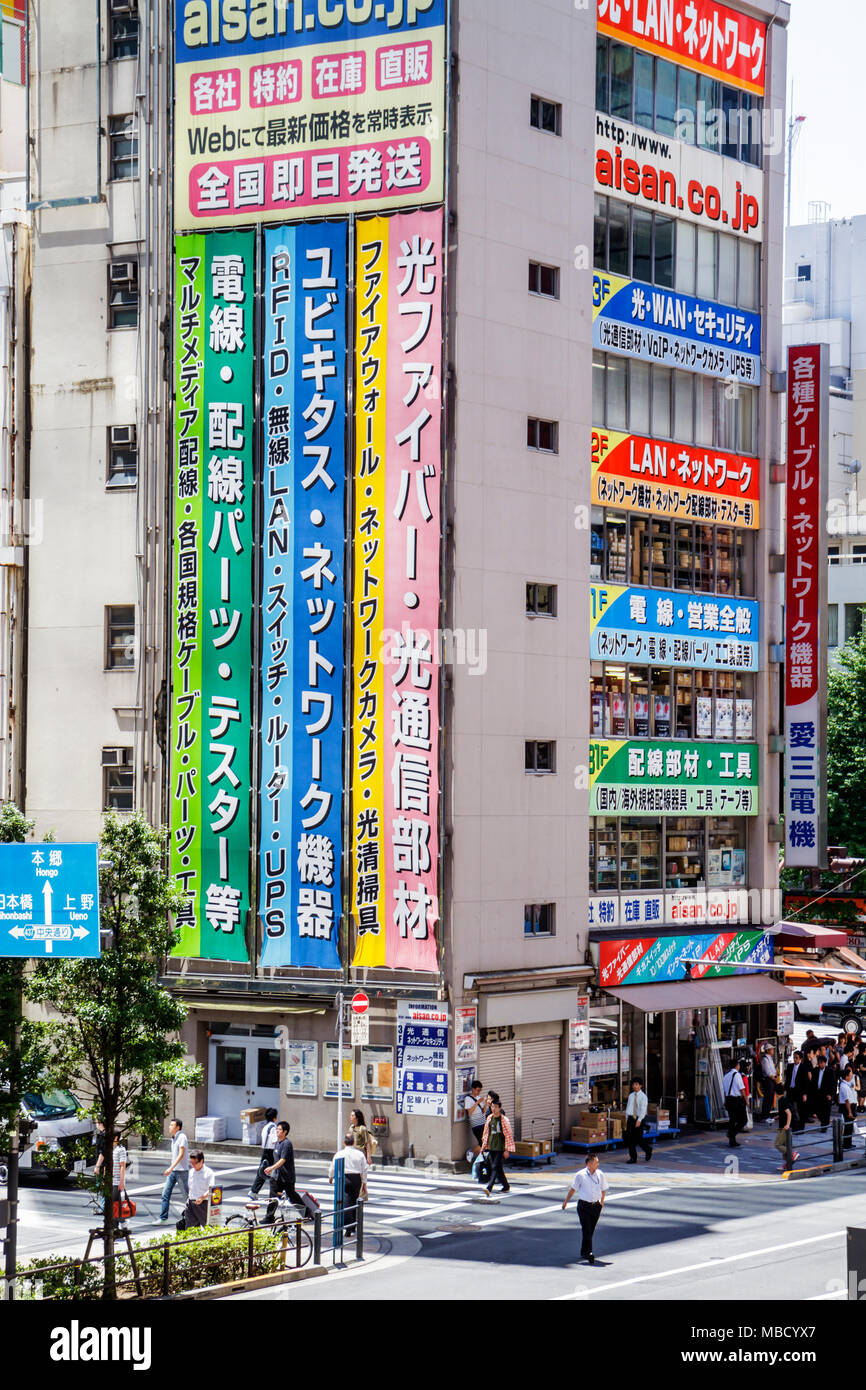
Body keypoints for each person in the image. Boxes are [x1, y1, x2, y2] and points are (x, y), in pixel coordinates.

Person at [562, 1154, 609, 1265]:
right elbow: (573, 1189)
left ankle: (584, 1251)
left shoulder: (600, 1174)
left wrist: (601, 1203)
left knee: (590, 1230)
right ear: (589, 1164)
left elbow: (603, 1189)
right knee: (586, 1229)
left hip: (595, 1206)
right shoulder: (580, 1175)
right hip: (584, 1206)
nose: (598, 1164)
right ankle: (589, 1253)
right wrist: (566, 1202)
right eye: (595, 1162)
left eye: (598, 1162)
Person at [263, 1120, 305, 1223]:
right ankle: (269, 1217)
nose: (277, 1131)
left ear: (285, 1132)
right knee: (273, 1196)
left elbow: (283, 1160)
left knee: (292, 1196)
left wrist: (271, 1168)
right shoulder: (277, 1143)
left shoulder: (287, 1144)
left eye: (279, 1129)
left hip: (286, 1177)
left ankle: (306, 1213)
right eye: (277, 1129)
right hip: (277, 1177)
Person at [329, 1131, 368, 1237]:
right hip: (356, 1179)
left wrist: (331, 1177)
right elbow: (365, 1168)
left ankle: (348, 1226)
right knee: (354, 1201)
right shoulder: (360, 1154)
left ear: (344, 1142)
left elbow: (333, 1166)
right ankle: (353, 1226)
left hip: (344, 1178)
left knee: (346, 1201)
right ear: (354, 1142)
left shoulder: (339, 1153)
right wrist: (364, 1183)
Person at [480, 1098, 514, 1198]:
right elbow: (486, 1134)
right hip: (491, 1146)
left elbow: (508, 1135)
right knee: (498, 1167)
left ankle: (489, 1187)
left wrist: (507, 1149)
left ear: (500, 1108)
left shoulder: (504, 1120)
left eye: (495, 1107)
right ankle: (506, 1186)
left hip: (500, 1147)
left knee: (494, 1167)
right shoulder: (489, 1118)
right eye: (492, 1107)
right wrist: (483, 1147)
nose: (493, 1109)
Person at [158, 1117, 190, 1222]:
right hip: (174, 1171)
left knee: (186, 1196)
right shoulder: (174, 1137)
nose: (169, 1127)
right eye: (170, 1125)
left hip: (181, 1171)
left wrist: (171, 1167)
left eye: (172, 1125)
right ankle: (163, 1218)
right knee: (165, 1194)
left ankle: (192, 1217)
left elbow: (181, 1155)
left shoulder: (182, 1137)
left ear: (178, 1127)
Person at [249, 1107, 279, 1199]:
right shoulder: (273, 1127)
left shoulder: (265, 1127)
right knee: (274, 1173)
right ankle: (277, 1193)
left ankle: (254, 1191)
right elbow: (274, 1140)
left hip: (265, 1151)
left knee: (263, 1172)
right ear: (275, 1118)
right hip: (270, 1152)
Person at [181, 1150, 216, 1229]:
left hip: (203, 1203)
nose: (193, 1165)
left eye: (195, 1163)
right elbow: (190, 1186)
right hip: (191, 1202)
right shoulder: (191, 1172)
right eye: (191, 1163)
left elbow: (211, 1188)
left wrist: (202, 1197)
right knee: (190, 1228)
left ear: (202, 1161)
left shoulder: (208, 1172)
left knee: (207, 1227)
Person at [624, 1077, 652, 1163]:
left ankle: (648, 1149)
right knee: (630, 1139)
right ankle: (633, 1158)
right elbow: (628, 1107)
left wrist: (639, 1120)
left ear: (641, 1086)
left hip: (639, 1119)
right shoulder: (631, 1096)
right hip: (630, 1119)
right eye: (633, 1084)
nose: (634, 1086)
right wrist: (626, 1118)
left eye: (636, 1084)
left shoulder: (643, 1097)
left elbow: (643, 1110)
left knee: (639, 1139)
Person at [774, 1083, 799, 1173]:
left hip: (784, 1128)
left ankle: (792, 1154)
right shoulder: (785, 1099)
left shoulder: (782, 1101)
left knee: (777, 1144)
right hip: (787, 1126)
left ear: (776, 1093)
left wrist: (787, 1125)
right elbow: (785, 1112)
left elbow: (789, 1113)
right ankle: (787, 1164)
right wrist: (777, 1117)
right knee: (785, 1145)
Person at [722, 1059, 748, 1147]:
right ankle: (731, 1133)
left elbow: (725, 1091)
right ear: (737, 1066)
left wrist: (725, 1101)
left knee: (732, 1120)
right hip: (737, 1100)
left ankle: (732, 1141)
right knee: (743, 1120)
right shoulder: (737, 1075)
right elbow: (742, 1089)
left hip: (729, 1099)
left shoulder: (726, 1076)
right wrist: (746, 1100)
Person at [463, 1080, 488, 1155]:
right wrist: (477, 1102)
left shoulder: (479, 1097)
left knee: (486, 1141)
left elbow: (483, 1111)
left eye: (480, 1090)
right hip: (476, 1124)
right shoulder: (468, 1099)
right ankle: (471, 1152)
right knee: (483, 1142)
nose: (478, 1092)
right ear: (473, 1089)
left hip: (483, 1122)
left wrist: (486, 1103)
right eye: (477, 1090)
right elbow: (470, 1112)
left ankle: (478, 1155)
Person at [785, 1051, 807, 1133]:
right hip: (791, 1090)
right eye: (794, 1057)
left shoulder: (803, 1068)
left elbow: (805, 1082)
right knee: (790, 1108)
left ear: (800, 1059)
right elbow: (787, 1078)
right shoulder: (790, 1066)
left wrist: (804, 1093)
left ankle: (800, 1127)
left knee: (799, 1109)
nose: (795, 1059)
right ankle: (794, 1126)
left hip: (799, 1091)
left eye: (796, 1058)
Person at [111, 1130, 128, 1230]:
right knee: (115, 1205)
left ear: (116, 1138)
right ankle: (118, 1226)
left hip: (117, 1181)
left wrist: (121, 1182)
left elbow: (123, 1166)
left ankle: (121, 1223)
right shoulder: (110, 1149)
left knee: (115, 1205)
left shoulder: (121, 1149)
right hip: (111, 1181)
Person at [812, 1054, 835, 1131]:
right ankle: (823, 1122)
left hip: (826, 1093)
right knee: (818, 1109)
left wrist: (831, 1094)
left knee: (826, 1110)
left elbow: (833, 1084)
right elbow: (813, 1082)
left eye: (822, 1062)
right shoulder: (815, 1070)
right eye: (819, 1062)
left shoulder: (830, 1071)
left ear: (825, 1063)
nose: (821, 1064)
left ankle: (824, 1125)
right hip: (817, 1092)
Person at [839, 1065, 858, 1150]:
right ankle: (846, 1144)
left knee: (849, 1126)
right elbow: (847, 1100)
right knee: (848, 1126)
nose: (851, 1077)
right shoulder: (844, 1086)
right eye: (850, 1076)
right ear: (846, 1077)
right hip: (847, 1107)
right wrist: (849, 1111)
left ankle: (848, 1143)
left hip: (850, 1106)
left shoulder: (847, 1084)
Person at [759, 1045, 777, 1122]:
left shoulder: (770, 1058)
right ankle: (764, 1115)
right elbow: (768, 1072)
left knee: (771, 1097)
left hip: (772, 1079)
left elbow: (773, 1070)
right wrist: (774, 1078)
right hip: (768, 1080)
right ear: (768, 1050)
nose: (773, 1050)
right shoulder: (765, 1059)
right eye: (772, 1049)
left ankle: (767, 1114)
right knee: (768, 1097)